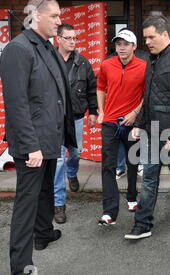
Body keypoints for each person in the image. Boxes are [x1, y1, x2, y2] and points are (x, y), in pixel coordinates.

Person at [0, 0, 76, 275]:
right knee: (26, 206)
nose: (60, 21)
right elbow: (16, 104)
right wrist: (31, 146)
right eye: (55, 16)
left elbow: (56, 95)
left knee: (46, 191)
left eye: (60, 15)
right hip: (32, 145)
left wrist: (65, 136)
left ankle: (43, 234)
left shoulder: (46, 46)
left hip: (50, 140)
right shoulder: (18, 49)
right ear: (36, 17)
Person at [124, 15, 170, 240]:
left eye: (151, 37)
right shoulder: (152, 60)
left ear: (165, 35)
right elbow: (148, 97)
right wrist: (138, 124)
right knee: (148, 177)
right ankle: (143, 224)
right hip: (151, 130)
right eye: (145, 37)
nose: (146, 41)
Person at [97, 29, 146, 225]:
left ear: (134, 46)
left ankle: (132, 197)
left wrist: (135, 113)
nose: (122, 48)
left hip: (132, 123)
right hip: (110, 122)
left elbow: (147, 95)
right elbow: (100, 87)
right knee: (108, 166)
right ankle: (109, 211)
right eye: (118, 44)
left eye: (126, 44)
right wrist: (101, 111)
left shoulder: (144, 66)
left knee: (132, 163)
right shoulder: (107, 65)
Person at [53, 23, 97, 224]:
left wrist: (93, 112)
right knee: (59, 160)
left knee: (75, 153)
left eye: (74, 38)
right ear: (58, 39)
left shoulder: (82, 62)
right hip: (55, 118)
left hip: (77, 117)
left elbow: (91, 88)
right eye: (68, 38)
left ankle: (73, 174)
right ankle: (59, 204)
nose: (72, 41)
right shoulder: (48, 60)